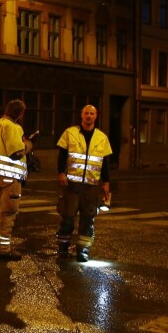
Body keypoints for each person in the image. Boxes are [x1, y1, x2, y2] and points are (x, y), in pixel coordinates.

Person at [55, 104, 112, 262]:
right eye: (86, 113)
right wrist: (61, 172)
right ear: (81, 115)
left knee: (88, 219)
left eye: (91, 114)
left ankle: (83, 250)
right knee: (67, 217)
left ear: (96, 116)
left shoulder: (102, 138)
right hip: (71, 184)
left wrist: (106, 182)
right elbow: (62, 155)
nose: (89, 116)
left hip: (91, 186)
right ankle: (63, 248)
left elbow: (105, 162)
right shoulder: (70, 133)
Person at [0, 100, 29, 260]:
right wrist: (29, 144)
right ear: (20, 114)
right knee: (8, 214)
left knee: (0, 213)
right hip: (10, 179)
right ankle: (2, 249)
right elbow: (16, 152)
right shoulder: (13, 127)